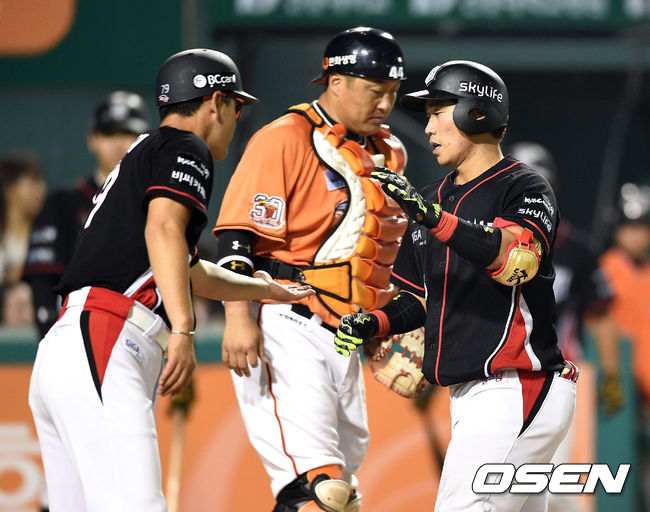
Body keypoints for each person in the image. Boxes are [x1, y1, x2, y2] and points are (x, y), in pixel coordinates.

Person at [28, 48, 314, 512]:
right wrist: (184, 329)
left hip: (76, 344)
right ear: (216, 102)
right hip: (106, 336)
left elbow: (184, 266)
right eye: (237, 106)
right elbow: (162, 229)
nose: (236, 119)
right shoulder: (186, 146)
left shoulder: (148, 150)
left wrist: (264, 288)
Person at [334, 60, 578, 511]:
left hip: (517, 387)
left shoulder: (524, 186)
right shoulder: (428, 198)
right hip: (471, 395)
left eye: (437, 112)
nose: (428, 127)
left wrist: (435, 220)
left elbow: (517, 263)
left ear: (475, 112)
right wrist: (375, 322)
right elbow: (418, 299)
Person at [213, 27, 408, 512]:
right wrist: (237, 318)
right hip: (287, 320)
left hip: (345, 336)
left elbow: (376, 252)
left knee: (342, 493)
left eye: (392, 91)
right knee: (321, 488)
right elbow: (237, 237)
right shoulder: (285, 137)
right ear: (335, 82)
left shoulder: (388, 153)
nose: (385, 103)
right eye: (374, 90)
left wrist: (380, 323)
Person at [509, 142, 622, 512]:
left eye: (537, 185)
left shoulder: (577, 250)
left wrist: (611, 375)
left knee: (552, 487)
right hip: (498, 376)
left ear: (552, 190)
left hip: (555, 375)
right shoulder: (484, 243)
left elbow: (600, 315)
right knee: (500, 483)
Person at [23, 91, 150, 339]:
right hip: (75, 331)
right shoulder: (62, 204)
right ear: (92, 139)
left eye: (128, 134)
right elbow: (43, 283)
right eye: (109, 134)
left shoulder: (158, 202)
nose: (118, 143)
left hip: (142, 330)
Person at [599, 183, 650, 511]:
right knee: (619, 483)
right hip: (618, 391)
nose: (635, 235)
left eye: (641, 227)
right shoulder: (606, 269)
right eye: (629, 226)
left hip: (645, 398)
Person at [0, 152, 46, 285]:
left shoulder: (47, 233)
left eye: (40, 182)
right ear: (9, 188)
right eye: (32, 182)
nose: (41, 190)